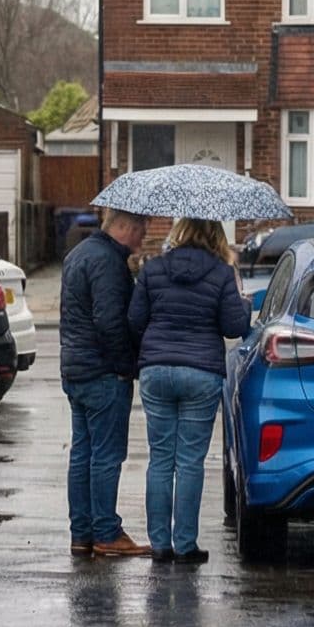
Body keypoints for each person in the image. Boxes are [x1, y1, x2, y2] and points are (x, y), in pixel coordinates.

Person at [126, 217, 251, 564]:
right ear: (215, 236)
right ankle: (184, 545)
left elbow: (135, 321)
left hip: (156, 369)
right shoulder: (222, 272)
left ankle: (159, 545)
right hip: (200, 372)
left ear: (179, 233)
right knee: (190, 461)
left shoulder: (153, 269)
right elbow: (234, 326)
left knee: (160, 458)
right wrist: (243, 302)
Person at [58, 206, 153, 559]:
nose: (143, 237)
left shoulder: (78, 254)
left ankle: (81, 533)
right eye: (141, 230)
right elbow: (110, 322)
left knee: (82, 453)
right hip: (103, 372)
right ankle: (106, 532)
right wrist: (126, 366)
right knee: (107, 455)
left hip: (76, 369)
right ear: (123, 226)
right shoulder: (109, 263)